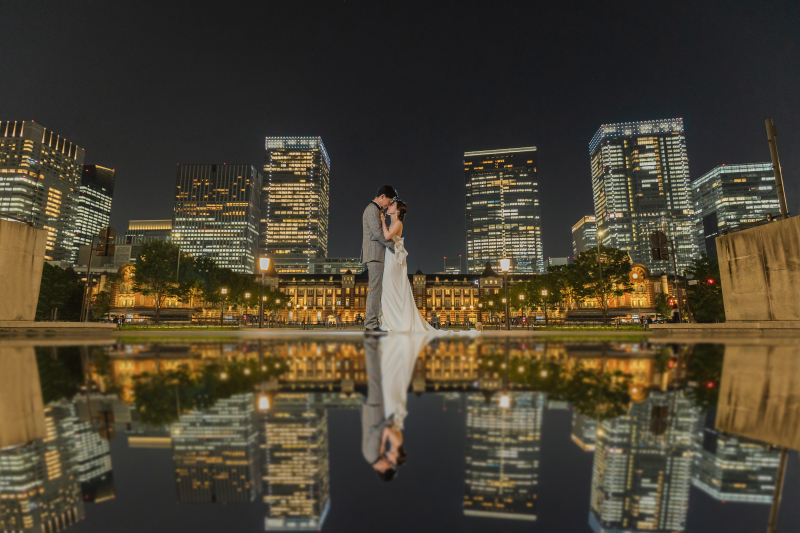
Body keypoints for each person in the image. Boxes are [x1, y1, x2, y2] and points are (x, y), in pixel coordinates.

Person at [378, 198, 436, 333]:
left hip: (393, 259)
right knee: (388, 288)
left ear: (397, 211)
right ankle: (391, 321)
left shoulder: (398, 223)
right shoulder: (392, 223)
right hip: (389, 257)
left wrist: (382, 221)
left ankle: (396, 322)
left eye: (393, 205)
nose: (389, 206)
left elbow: (387, 236)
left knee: (390, 287)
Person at [361, 186, 396, 334]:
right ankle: (370, 325)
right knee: (375, 289)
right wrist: (394, 247)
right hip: (374, 254)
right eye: (388, 201)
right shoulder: (371, 209)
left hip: (377, 254)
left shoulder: (376, 210)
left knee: (377, 289)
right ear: (382, 196)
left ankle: (373, 323)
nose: (388, 205)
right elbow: (377, 233)